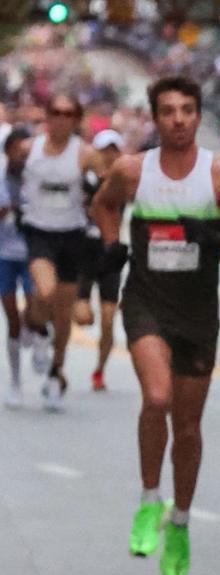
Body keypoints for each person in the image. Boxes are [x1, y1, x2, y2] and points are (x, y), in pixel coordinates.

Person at [92, 76, 220, 575]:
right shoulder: (131, 170)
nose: (178, 120)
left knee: (188, 427)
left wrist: (215, 241)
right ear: (154, 118)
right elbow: (104, 205)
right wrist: (110, 245)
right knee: (157, 398)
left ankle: (181, 522)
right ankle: (150, 499)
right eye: (167, 111)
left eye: (187, 110)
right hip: (147, 302)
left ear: (197, 115)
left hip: (197, 312)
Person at [19, 93, 101, 411]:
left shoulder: (84, 153)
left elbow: (108, 182)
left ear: (76, 119)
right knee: (44, 292)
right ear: (47, 116)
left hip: (72, 235)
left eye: (69, 113)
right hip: (39, 232)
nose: (61, 118)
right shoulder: (30, 149)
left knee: (64, 314)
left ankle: (56, 372)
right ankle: (37, 328)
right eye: (56, 112)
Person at [77, 128, 125, 391]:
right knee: (84, 317)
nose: (109, 156)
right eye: (104, 150)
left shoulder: (123, 182)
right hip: (85, 250)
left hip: (110, 251)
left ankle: (99, 370)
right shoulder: (82, 180)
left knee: (108, 318)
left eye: (114, 150)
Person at [1, 126, 33, 409]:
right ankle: (15, 381)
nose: (22, 155)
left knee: (37, 306)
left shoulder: (35, 177)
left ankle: (30, 324)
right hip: (4, 254)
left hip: (33, 252)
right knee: (10, 315)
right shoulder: (1, 179)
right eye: (18, 150)